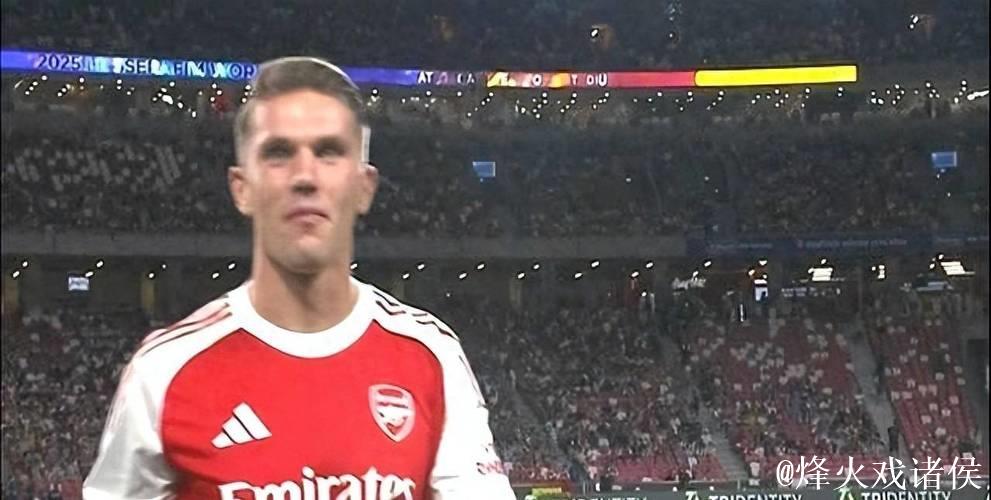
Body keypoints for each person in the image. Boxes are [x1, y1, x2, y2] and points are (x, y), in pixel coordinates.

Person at [83, 57, 514, 500]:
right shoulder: (164, 371)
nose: (304, 176)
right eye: (278, 153)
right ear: (241, 188)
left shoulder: (429, 355)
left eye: (328, 152)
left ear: (364, 187)